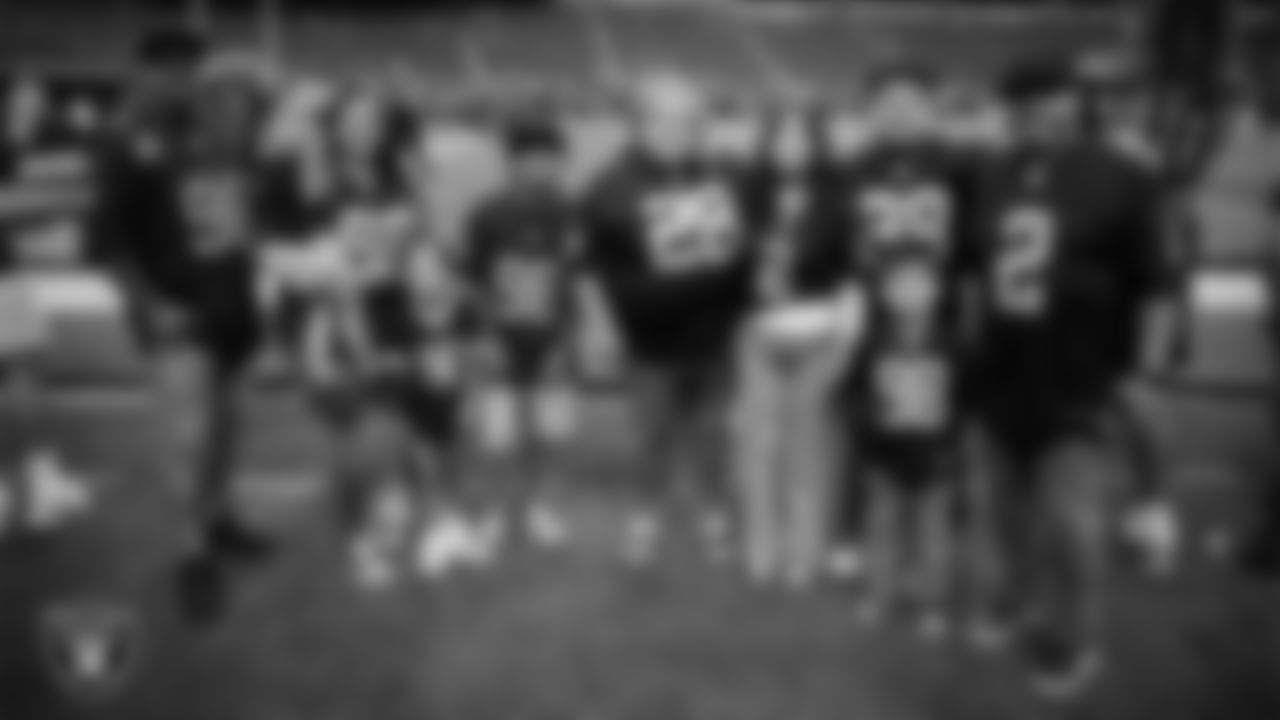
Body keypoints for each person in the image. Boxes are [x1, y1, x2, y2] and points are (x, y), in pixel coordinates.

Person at [965, 57, 1183, 697]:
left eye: (1050, 101)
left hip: (1078, 382)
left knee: (1072, 523)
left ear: (1073, 102)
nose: (1038, 115)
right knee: (1003, 513)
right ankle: (1017, 599)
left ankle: (1076, 639)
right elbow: (979, 274)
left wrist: (1144, 373)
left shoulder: (1123, 175)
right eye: (1024, 105)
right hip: (1002, 377)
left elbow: (1158, 287)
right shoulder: (995, 172)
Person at [89, 33, 276, 622]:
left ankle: (220, 520)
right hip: (177, 312)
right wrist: (151, 305)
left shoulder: (219, 131)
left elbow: (242, 211)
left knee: (225, 429)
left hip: (231, 307)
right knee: (188, 435)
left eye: (189, 69)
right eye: (169, 69)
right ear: (143, 72)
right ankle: (192, 547)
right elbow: (106, 245)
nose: (181, 80)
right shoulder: (124, 143)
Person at [580, 74, 754, 565]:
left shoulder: (722, 175)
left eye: (689, 119)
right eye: (667, 118)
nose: (680, 129)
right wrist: (604, 325)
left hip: (714, 340)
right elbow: (592, 267)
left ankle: (714, 511)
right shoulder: (610, 185)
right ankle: (644, 514)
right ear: (641, 123)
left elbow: (743, 252)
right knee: (649, 437)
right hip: (650, 345)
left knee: (714, 434)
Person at [836, 67, 977, 634]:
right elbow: (830, 242)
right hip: (872, 324)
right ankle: (861, 539)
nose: (898, 112)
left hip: (940, 329)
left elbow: (979, 246)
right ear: (870, 111)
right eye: (886, 102)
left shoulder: (964, 166)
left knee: (943, 442)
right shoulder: (851, 171)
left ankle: (930, 564)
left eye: (911, 101)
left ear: (930, 107)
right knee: (870, 433)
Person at [731, 106, 862, 589]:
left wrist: (848, 336)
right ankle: (761, 544)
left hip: (820, 331)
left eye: (801, 135)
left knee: (808, 448)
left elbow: (853, 272)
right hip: (759, 333)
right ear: (768, 139)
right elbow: (730, 267)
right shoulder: (748, 193)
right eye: (781, 133)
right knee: (758, 446)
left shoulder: (838, 196)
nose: (790, 144)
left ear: (817, 140)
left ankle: (804, 550)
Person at [463, 118, 582, 550]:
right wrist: (487, 336)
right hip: (501, 335)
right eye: (532, 158)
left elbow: (572, 281)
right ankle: (494, 510)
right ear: (512, 162)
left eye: (551, 158)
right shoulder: (486, 213)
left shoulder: (571, 211)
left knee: (549, 431)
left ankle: (541, 508)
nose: (542, 167)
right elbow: (475, 283)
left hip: (553, 337)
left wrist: (565, 339)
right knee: (498, 433)